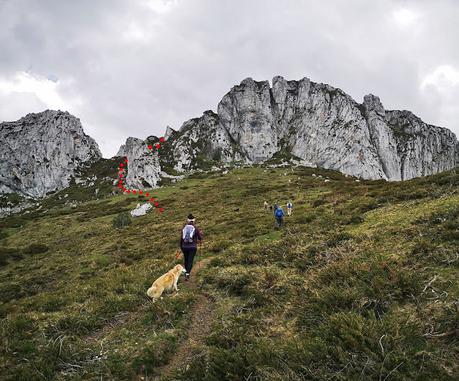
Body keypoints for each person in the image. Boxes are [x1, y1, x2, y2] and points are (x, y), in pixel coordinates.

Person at [180, 213, 203, 281]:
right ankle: (187, 273)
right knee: (190, 260)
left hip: (184, 247)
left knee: (186, 259)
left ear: (187, 220)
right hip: (192, 247)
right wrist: (201, 235)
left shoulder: (184, 228)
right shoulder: (195, 228)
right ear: (194, 220)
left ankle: (186, 272)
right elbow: (200, 238)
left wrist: (181, 247)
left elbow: (181, 239)